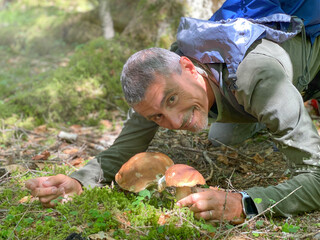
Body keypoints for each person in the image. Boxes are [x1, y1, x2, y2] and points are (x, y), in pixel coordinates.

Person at [26, 0, 320, 224]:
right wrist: (79, 180)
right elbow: (124, 147)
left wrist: (244, 202)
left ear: (189, 68)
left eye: (171, 100)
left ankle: (285, 110)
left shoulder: (257, 78)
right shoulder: (163, 78)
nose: (176, 122)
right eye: (157, 117)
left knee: (251, 114)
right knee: (223, 135)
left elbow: (316, 180)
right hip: (244, 90)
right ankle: (270, 116)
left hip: (306, 66)